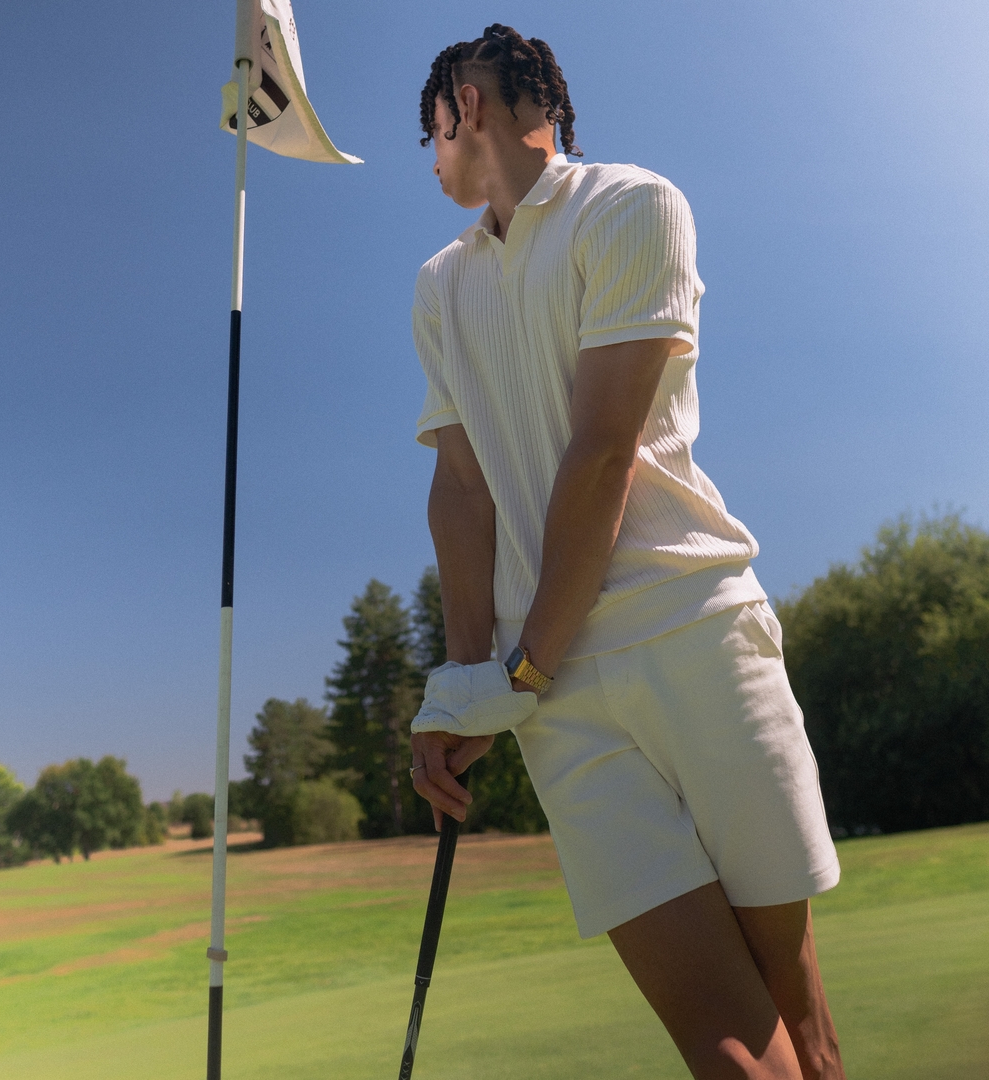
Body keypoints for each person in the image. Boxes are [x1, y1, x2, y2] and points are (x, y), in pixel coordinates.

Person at [405, 23, 846, 1080]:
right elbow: (462, 491)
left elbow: (604, 450)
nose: (431, 160)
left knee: (804, 1031)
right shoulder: (438, 286)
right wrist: (465, 689)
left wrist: (521, 672)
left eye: (433, 132)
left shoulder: (631, 203)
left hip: (693, 636)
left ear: (467, 107)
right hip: (556, 702)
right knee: (729, 1051)